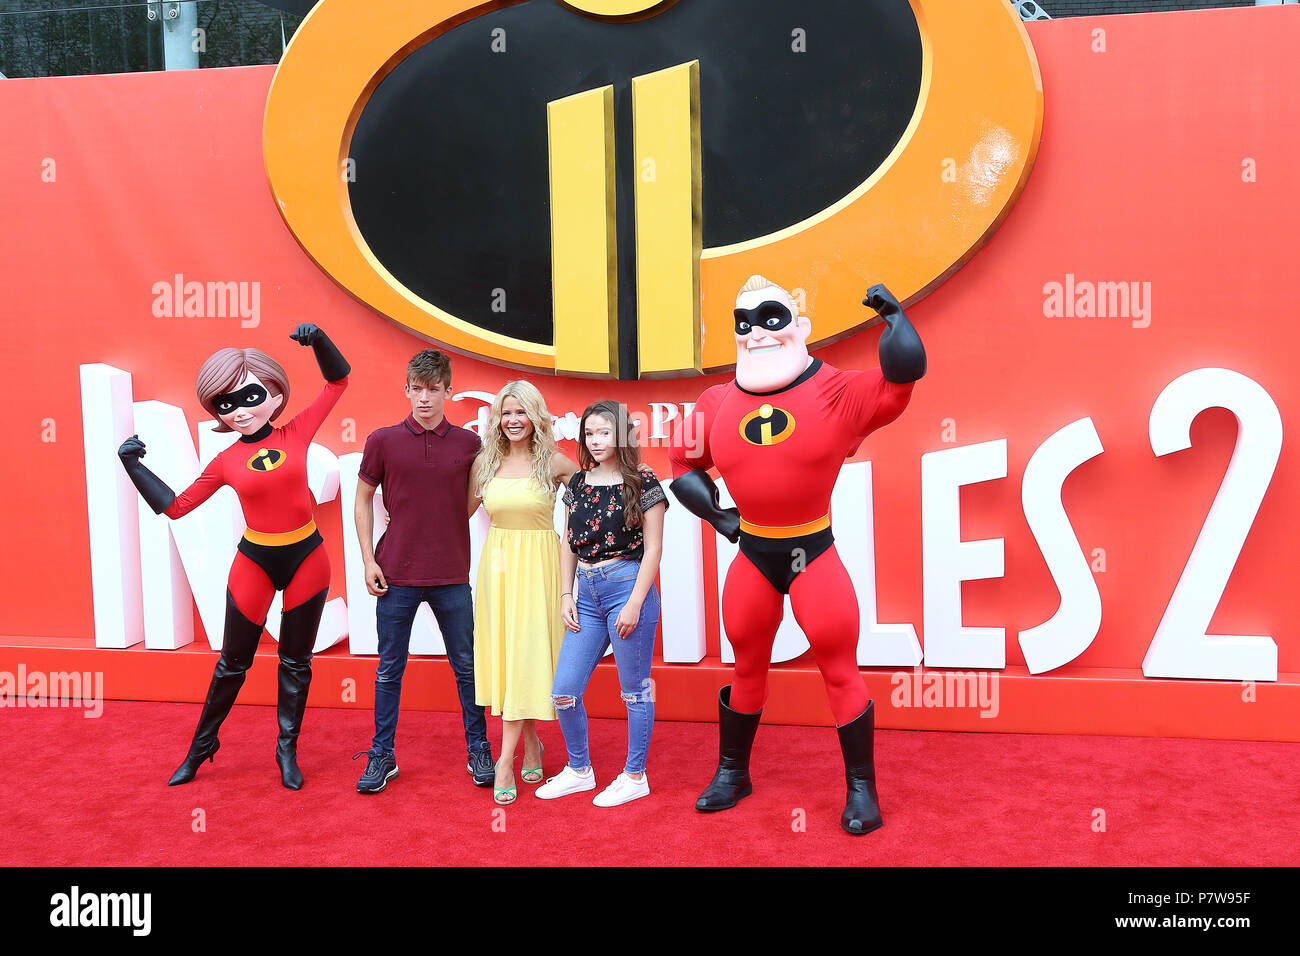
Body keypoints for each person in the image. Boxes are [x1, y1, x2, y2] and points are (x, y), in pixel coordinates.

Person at [668, 275, 926, 835]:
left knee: (838, 665)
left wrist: (896, 320)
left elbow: (901, 380)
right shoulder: (715, 402)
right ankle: (732, 771)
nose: (756, 331)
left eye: (771, 317)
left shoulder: (834, 390)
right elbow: (682, 467)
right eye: (744, 322)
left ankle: (862, 790)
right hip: (754, 552)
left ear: (801, 327)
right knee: (746, 663)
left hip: (813, 549)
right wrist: (719, 517)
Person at [116, 323, 350, 790]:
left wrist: (321, 340)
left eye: (248, 396)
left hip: (307, 556)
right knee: (231, 662)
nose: (238, 411)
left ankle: (287, 750)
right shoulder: (225, 462)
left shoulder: (298, 432)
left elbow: (338, 381)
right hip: (255, 561)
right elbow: (177, 507)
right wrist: (133, 466)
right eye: (225, 404)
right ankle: (201, 748)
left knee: (296, 661)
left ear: (273, 391)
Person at [352, 349, 492, 794]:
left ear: (449, 391)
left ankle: (479, 747)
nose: (425, 397)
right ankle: (382, 755)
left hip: (452, 574)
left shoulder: (470, 445)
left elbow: (474, 499)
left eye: (434, 389)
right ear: (407, 389)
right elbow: (361, 501)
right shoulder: (382, 440)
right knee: (389, 669)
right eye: (417, 388)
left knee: (467, 667)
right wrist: (368, 559)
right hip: (394, 573)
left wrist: (447, 522)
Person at [536, 400, 667, 807]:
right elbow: (567, 544)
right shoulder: (576, 484)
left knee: (634, 691)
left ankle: (635, 775)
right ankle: (579, 769)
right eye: (589, 433)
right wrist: (564, 594)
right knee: (564, 690)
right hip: (586, 595)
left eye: (604, 432)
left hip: (627, 588)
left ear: (623, 434)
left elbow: (654, 549)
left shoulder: (644, 484)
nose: (595, 441)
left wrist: (635, 603)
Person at [470, 380, 578, 805]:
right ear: (498, 417)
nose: (514, 420)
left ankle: (504, 760)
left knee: (528, 656)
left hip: (540, 567)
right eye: (507, 412)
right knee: (511, 657)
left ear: (536, 416)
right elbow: (456, 510)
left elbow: (589, 506)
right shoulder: (485, 462)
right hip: (498, 567)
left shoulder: (554, 463)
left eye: (521, 413)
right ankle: (532, 746)